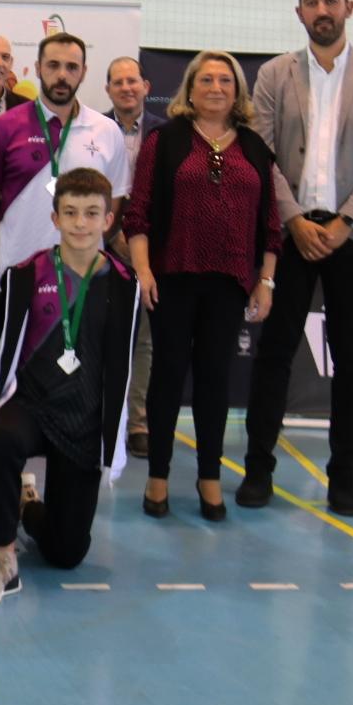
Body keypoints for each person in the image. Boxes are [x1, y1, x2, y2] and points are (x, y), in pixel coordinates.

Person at [237, 0, 353, 517]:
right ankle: (258, 470)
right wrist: (293, 219)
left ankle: (344, 479)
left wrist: (346, 221)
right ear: (299, 13)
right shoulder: (273, 74)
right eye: (311, 3)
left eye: (331, 1)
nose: (322, 10)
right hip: (290, 235)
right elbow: (260, 152)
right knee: (274, 353)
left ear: (349, 7)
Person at [0, 169, 139, 604]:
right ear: (55, 217)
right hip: (32, 404)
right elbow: (4, 353)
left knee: (66, 553)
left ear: (108, 219)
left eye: (91, 213)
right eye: (71, 212)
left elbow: (121, 366)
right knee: (1, 438)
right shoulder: (25, 274)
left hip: (83, 415)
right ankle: (2, 556)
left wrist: (110, 437)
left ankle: (28, 505)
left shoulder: (125, 284)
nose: (80, 223)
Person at [123, 52, 279, 520]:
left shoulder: (255, 147)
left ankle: (209, 475)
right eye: (206, 79)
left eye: (225, 80)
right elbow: (138, 213)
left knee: (215, 380)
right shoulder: (164, 140)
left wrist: (265, 281)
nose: (216, 87)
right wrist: (144, 271)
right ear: (189, 89)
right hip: (172, 278)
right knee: (168, 377)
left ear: (238, 91)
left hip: (230, 284)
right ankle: (158, 475)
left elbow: (271, 225)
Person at [0, 33, 129, 368]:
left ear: (84, 72)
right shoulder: (4, 127)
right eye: (53, 65)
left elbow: (114, 205)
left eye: (71, 67)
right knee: (9, 381)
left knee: (79, 380)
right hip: (16, 280)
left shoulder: (107, 131)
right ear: (38, 68)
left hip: (83, 283)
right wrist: (8, 253)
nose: (62, 75)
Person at [103, 55, 158, 458]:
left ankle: (137, 422)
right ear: (107, 89)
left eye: (132, 81)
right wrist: (113, 235)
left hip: (151, 252)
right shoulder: (91, 128)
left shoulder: (167, 133)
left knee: (143, 340)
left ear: (146, 87)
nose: (126, 88)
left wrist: (140, 244)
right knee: (98, 334)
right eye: (118, 82)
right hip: (101, 246)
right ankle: (100, 415)